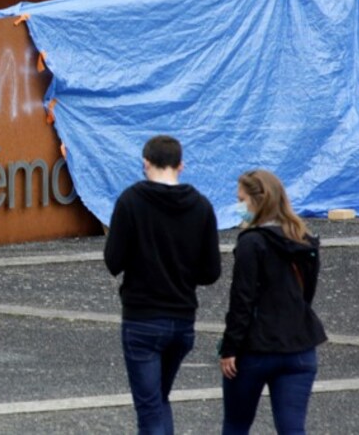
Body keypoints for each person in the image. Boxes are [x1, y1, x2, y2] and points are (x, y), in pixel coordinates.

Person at [104, 135, 222, 434]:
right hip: (182, 319)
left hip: (142, 318)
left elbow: (113, 261)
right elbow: (210, 272)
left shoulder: (130, 201)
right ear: (181, 165)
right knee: (158, 400)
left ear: (145, 162)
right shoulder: (202, 207)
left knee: (149, 407)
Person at [219, 169, 327, 435]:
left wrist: (230, 348)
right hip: (300, 346)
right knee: (292, 428)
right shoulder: (304, 240)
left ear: (257, 201)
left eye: (241, 199)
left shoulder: (251, 242)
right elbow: (306, 294)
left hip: (256, 347)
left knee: (236, 424)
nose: (239, 206)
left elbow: (242, 299)